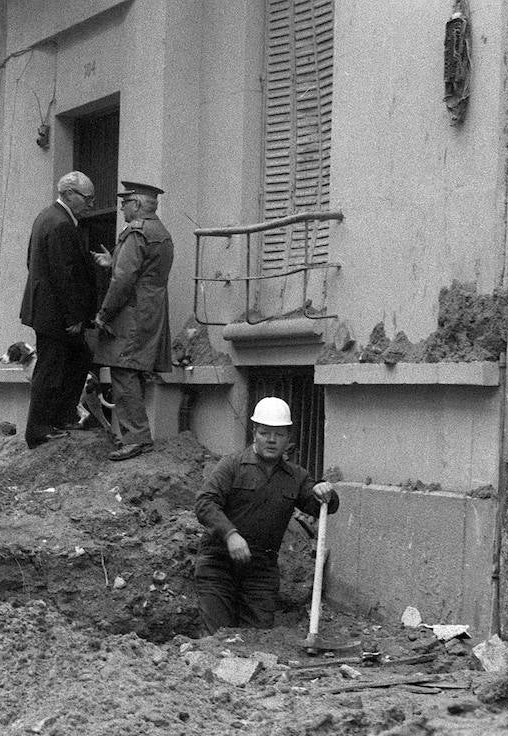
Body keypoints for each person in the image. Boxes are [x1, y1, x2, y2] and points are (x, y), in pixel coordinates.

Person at [194, 397, 339, 634]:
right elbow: (204, 503)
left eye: (279, 435)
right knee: (219, 638)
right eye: (265, 433)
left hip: (260, 571)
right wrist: (231, 535)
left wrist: (325, 491)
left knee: (259, 639)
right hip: (218, 565)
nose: (271, 440)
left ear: (288, 438)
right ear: (254, 433)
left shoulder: (296, 477)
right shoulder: (232, 466)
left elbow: (323, 505)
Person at [19, 171, 106, 449]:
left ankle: (60, 418)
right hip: (57, 315)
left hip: (48, 310)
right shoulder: (61, 224)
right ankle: (40, 428)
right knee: (50, 368)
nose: (91, 204)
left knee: (76, 358)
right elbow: (63, 275)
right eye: (87, 198)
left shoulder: (47, 218)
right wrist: (73, 317)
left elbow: (35, 263)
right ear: (69, 194)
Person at [93, 181, 175, 462]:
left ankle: (136, 437)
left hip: (132, 312)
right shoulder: (160, 233)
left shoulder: (136, 232)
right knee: (134, 370)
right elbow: (142, 269)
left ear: (138, 205)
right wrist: (113, 260)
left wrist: (104, 314)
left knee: (123, 370)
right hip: (151, 310)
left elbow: (124, 280)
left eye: (126, 202)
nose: (122, 207)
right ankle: (137, 435)